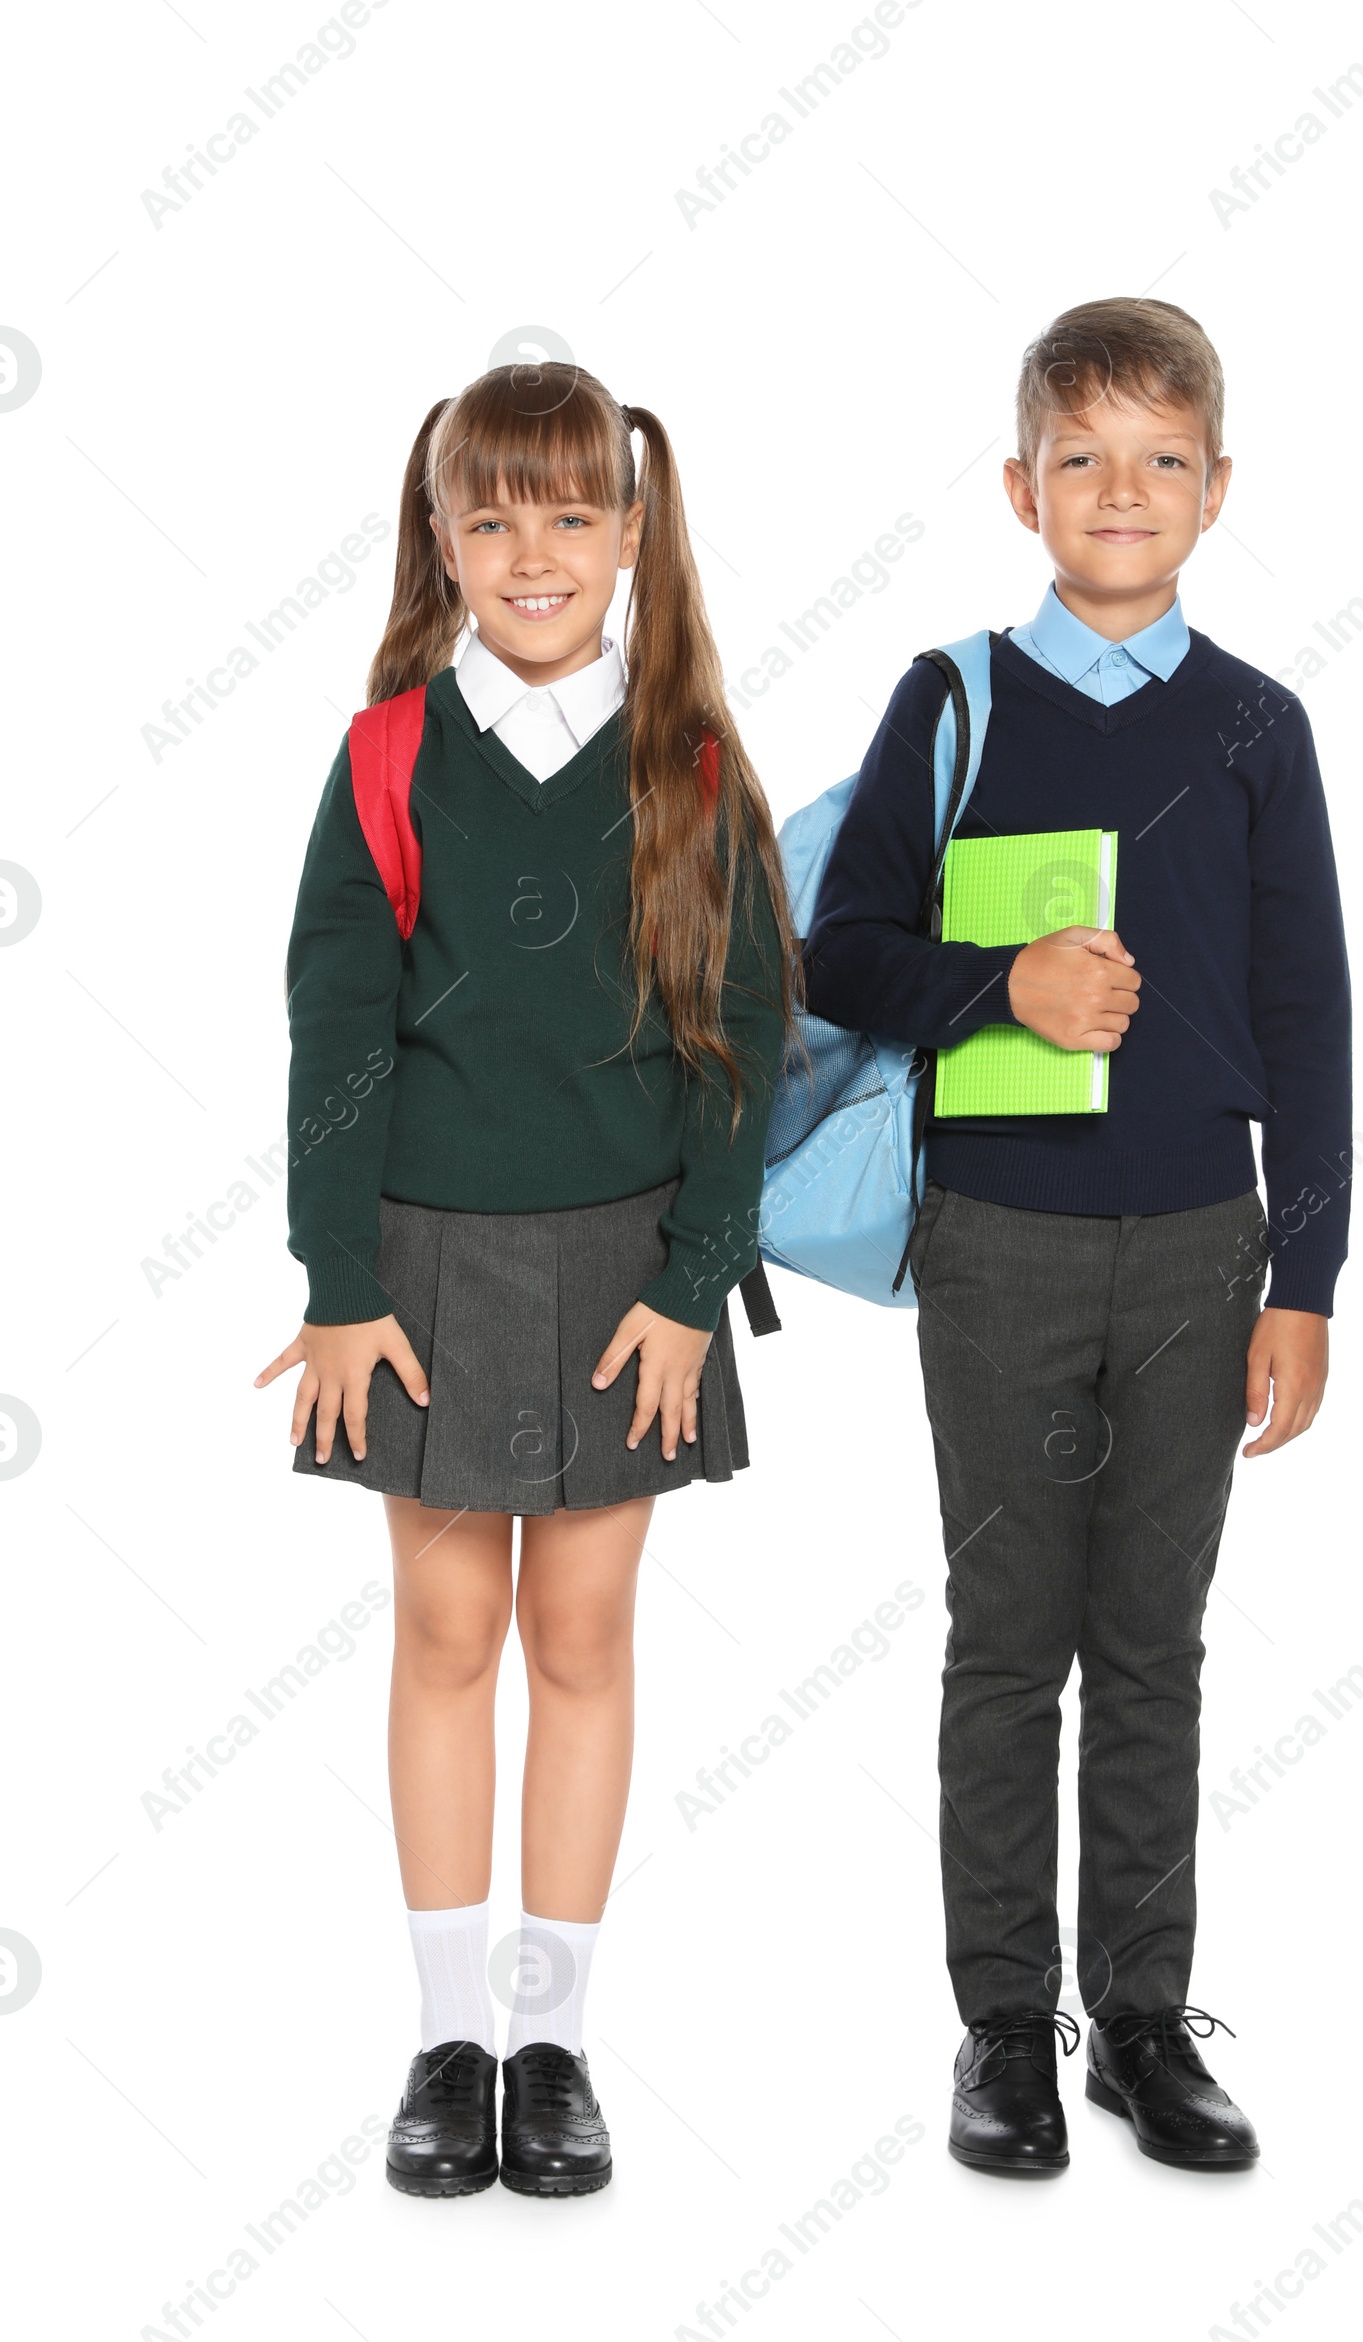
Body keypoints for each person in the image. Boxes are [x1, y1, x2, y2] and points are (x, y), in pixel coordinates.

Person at [804, 299, 1352, 2175]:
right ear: (1022, 482)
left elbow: (1310, 1014)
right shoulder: (952, 697)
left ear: (1217, 487)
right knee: (1003, 1641)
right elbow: (840, 950)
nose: (1124, 491)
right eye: (1085, 457)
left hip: (1205, 1248)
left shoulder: (1259, 725)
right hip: (1001, 1246)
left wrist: (1309, 1273)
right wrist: (1002, 984)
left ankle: (1138, 2017)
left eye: (1163, 460)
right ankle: (1000, 2028)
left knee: (1157, 1645)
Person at [256, 363, 792, 2198]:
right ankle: (446, 2039)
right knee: (441, 1634)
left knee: (579, 1636)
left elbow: (744, 1037)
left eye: (574, 514)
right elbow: (337, 1027)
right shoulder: (390, 753)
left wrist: (693, 1283)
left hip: (628, 1278)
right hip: (413, 1267)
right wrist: (338, 1283)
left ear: (633, 537)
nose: (534, 551)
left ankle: (552, 2038)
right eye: (492, 517)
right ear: (443, 539)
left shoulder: (692, 762)